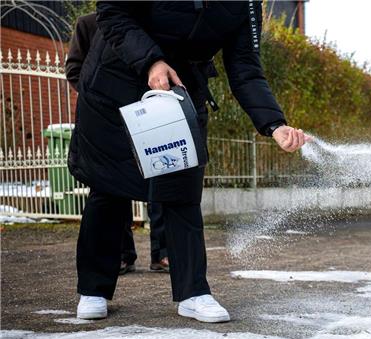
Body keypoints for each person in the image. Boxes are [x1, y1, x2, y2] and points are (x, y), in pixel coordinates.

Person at [68, 1, 309, 322]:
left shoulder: (246, 5)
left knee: (182, 186)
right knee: (110, 187)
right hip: (115, 79)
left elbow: (246, 68)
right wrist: (152, 61)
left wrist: (274, 125)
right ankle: (93, 288)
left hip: (181, 85)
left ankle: (193, 292)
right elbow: (112, 12)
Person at [65, 13, 170, 277]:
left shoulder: (150, 21)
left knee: (158, 178)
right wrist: (97, 96)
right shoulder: (89, 24)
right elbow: (74, 69)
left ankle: (163, 253)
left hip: (148, 114)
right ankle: (122, 254)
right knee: (111, 187)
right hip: (107, 117)